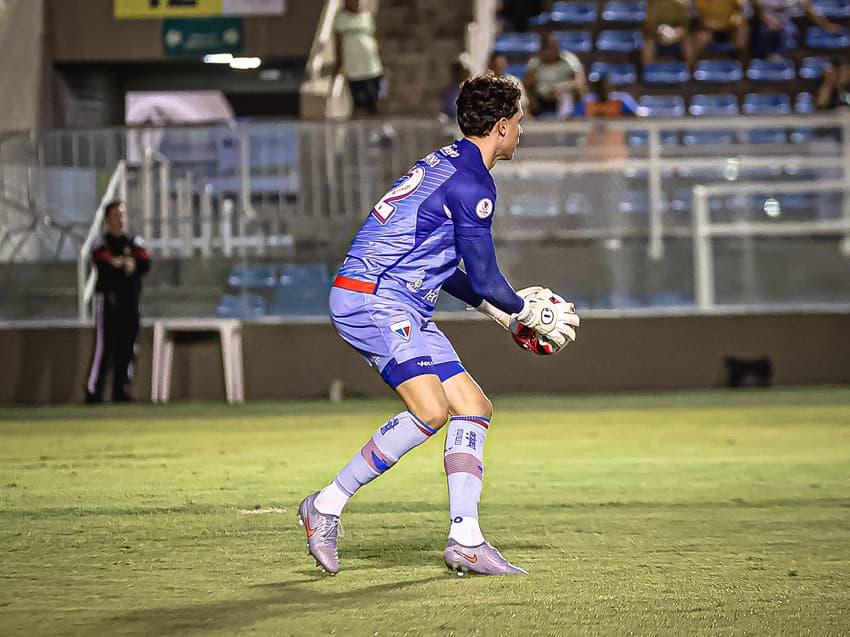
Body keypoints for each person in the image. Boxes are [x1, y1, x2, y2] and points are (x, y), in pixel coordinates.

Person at [298, 74, 579, 576]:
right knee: (431, 410)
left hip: (400, 299)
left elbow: (445, 266)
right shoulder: (473, 184)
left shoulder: (445, 164)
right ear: (500, 126)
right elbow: (489, 277)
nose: (521, 132)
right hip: (374, 299)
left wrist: (494, 309)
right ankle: (326, 505)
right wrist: (522, 309)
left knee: (473, 407)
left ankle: (466, 539)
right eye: (518, 122)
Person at [84, 200, 150, 404]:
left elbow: (143, 263)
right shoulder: (101, 242)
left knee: (127, 347)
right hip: (109, 301)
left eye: (122, 215)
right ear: (106, 220)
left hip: (130, 302)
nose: (119, 220)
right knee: (105, 348)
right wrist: (123, 263)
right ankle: (94, 391)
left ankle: (120, 390)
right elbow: (103, 264)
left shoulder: (133, 241)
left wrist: (122, 263)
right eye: (115, 216)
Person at [334, 0, 384, 118]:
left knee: (374, 100)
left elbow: (372, 36)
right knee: (360, 103)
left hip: (372, 66)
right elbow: (338, 42)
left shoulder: (365, 16)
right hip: (354, 69)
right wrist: (340, 63)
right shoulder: (341, 18)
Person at [523, 32, 587, 119]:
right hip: (541, 99)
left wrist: (564, 86)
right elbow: (526, 84)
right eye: (547, 48)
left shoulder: (569, 59)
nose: (550, 51)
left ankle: (565, 119)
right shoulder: (535, 62)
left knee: (567, 94)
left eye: (553, 46)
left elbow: (580, 82)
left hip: (562, 96)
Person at [751, 0, 842, 60]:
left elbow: (810, 10)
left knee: (790, 31)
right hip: (765, 26)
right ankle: (769, 59)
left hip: (786, 25)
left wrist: (825, 24)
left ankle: (783, 60)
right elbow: (757, 10)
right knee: (766, 32)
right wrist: (767, 20)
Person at [692, 0, 749, 70]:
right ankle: (694, 70)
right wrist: (707, 24)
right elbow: (697, 15)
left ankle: (743, 71)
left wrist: (732, 22)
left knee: (742, 32)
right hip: (708, 29)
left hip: (730, 28)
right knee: (699, 38)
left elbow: (744, 11)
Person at [642, 0, 693, 67]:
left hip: (676, 35)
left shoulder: (679, 5)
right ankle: (648, 69)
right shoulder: (653, 5)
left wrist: (678, 32)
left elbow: (684, 25)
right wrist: (659, 31)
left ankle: (690, 70)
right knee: (648, 41)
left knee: (688, 41)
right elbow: (649, 25)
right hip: (656, 35)